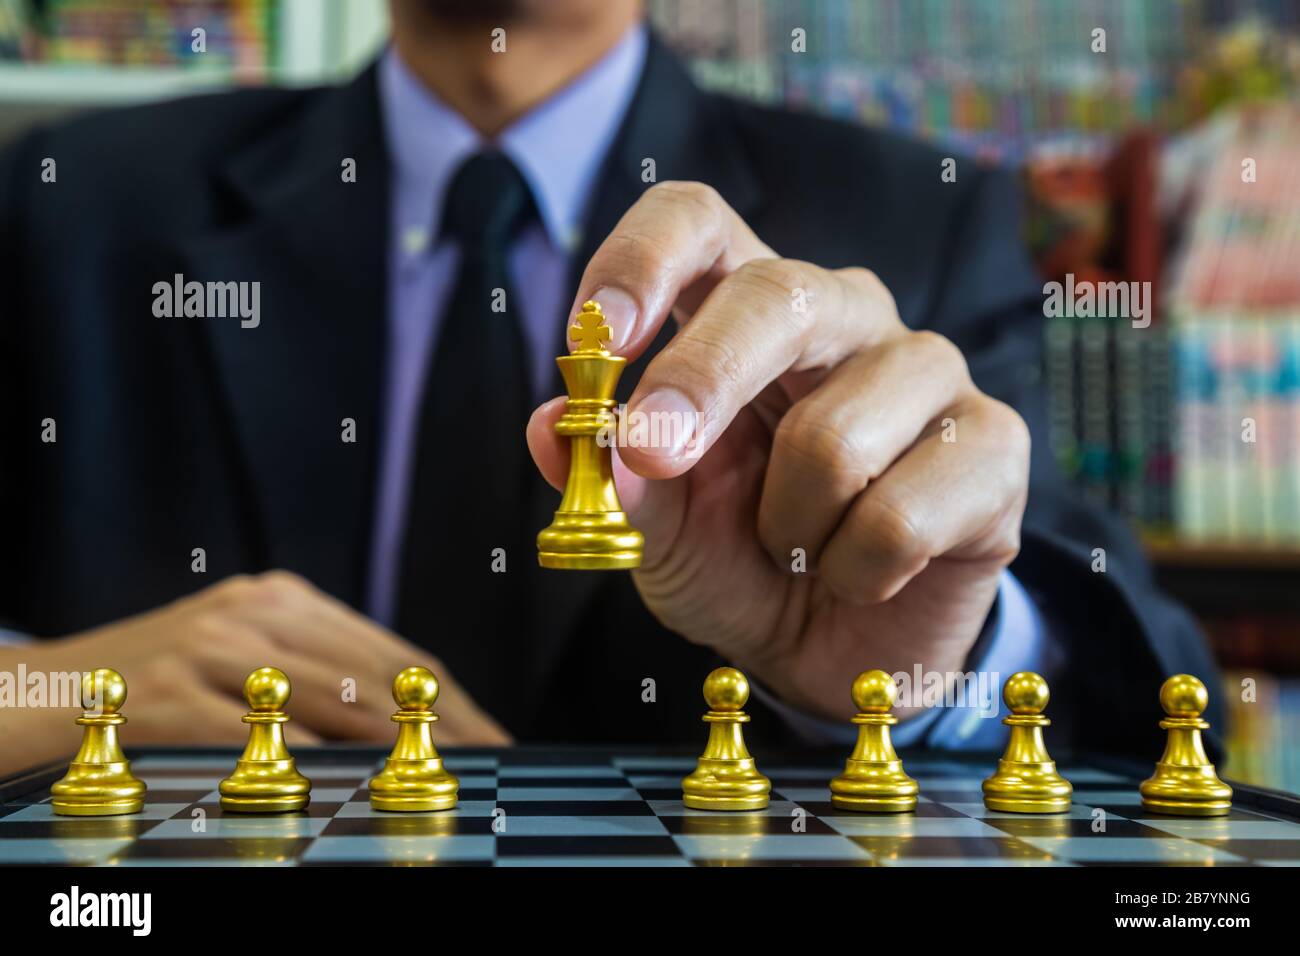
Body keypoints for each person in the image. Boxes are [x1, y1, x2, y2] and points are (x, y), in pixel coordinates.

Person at [0, 0, 1219, 776]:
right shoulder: (65, 199)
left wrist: (928, 671)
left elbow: (1168, 705)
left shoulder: (917, 210)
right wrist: (40, 693)